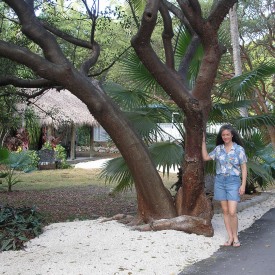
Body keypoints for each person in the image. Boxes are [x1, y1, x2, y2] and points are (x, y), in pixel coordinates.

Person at [202, 124, 247, 247]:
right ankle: (230, 237)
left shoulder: (239, 150)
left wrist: (243, 185)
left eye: (227, 134)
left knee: (232, 211)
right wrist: (203, 142)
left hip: (233, 181)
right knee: (225, 211)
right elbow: (205, 157)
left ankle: (236, 236)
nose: (225, 137)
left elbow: (243, 167)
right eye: (223, 135)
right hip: (220, 181)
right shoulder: (218, 149)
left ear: (232, 135)